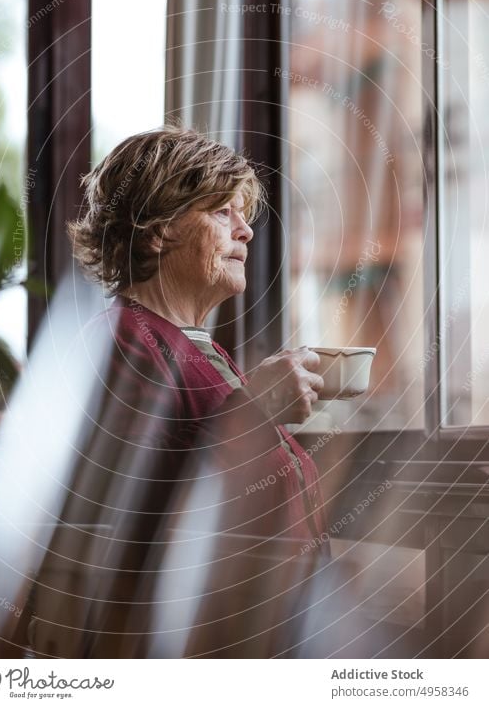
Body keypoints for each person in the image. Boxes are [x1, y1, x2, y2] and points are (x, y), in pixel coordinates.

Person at [54, 125, 330, 657]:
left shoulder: (194, 347)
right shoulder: (122, 338)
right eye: (223, 212)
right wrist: (257, 409)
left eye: (243, 214)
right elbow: (131, 508)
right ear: (157, 229)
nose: (246, 231)